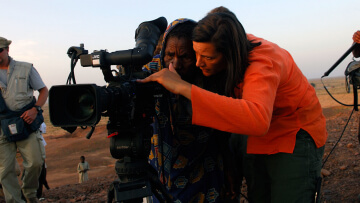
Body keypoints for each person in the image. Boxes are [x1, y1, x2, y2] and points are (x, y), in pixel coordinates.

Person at [139, 7, 328, 203]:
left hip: (293, 132)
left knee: (288, 194)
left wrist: (183, 88)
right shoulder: (219, 44)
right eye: (196, 54)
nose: (198, 63)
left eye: (208, 58)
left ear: (229, 55)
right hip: (256, 134)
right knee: (260, 195)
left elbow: (257, 120)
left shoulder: (263, 62)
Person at [147, 18, 233, 202]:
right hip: (165, 174)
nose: (176, 64)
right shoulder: (152, 70)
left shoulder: (211, 78)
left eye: (185, 57)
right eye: (170, 54)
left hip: (205, 170)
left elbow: (224, 131)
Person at [0, 37, 48, 203]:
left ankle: (29, 193)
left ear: (7, 50)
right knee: (5, 170)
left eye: (0, 50)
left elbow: (43, 90)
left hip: (25, 122)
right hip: (1, 127)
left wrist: (36, 109)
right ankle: (14, 200)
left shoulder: (25, 68)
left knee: (35, 162)